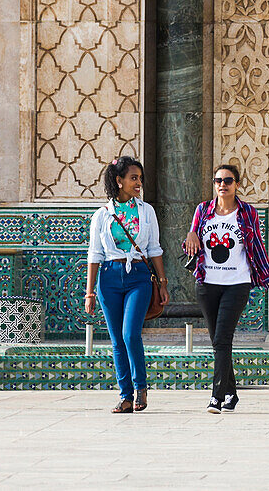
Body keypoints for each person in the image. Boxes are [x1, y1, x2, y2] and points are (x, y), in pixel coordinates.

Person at [184, 163, 269, 413]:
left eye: (228, 180)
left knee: (222, 339)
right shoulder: (203, 210)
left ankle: (216, 396)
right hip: (207, 284)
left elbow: (258, 249)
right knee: (219, 342)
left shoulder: (247, 212)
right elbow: (192, 243)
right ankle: (231, 393)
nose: (222, 185)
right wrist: (190, 234)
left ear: (237, 184)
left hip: (237, 284)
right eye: (218, 181)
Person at [85, 156, 169, 413]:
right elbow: (94, 254)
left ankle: (141, 387)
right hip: (109, 277)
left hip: (139, 277)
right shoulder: (102, 215)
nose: (139, 183)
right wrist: (89, 292)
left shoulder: (146, 211)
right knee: (116, 340)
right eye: (134, 178)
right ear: (118, 181)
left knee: (130, 334)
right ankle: (125, 396)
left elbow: (154, 249)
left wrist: (163, 283)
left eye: (140, 179)